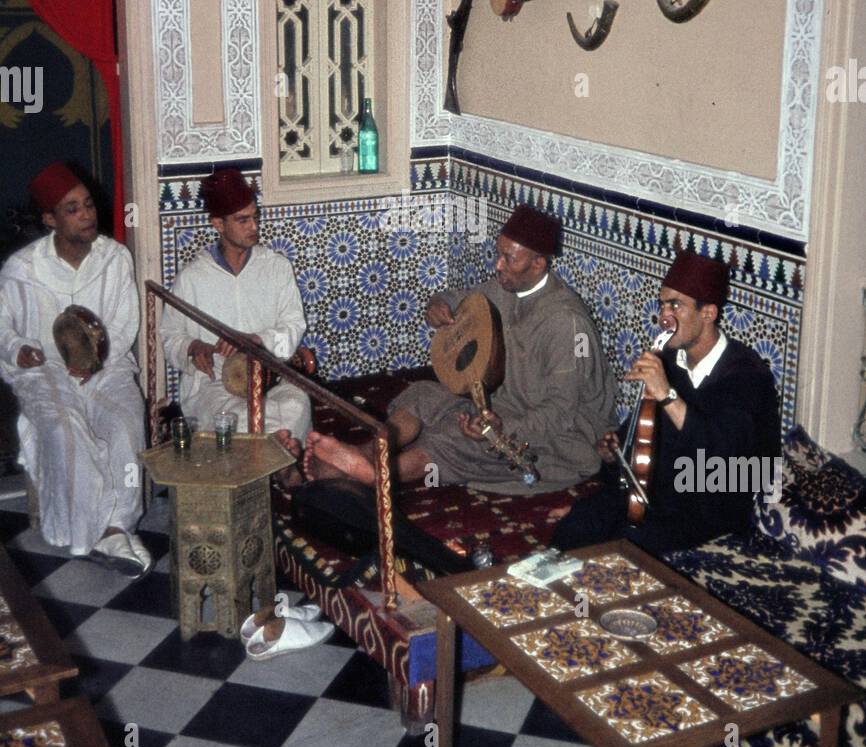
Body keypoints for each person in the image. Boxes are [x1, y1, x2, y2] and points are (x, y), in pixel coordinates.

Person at [305, 204, 618, 495]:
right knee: (421, 395)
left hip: (560, 438)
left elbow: (559, 414)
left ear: (539, 263)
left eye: (510, 259)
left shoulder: (566, 322)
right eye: (499, 254)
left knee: (450, 439)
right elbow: (460, 299)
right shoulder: (505, 287)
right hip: (501, 406)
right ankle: (364, 454)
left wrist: (500, 427)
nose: (498, 265)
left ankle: (378, 475)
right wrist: (438, 306)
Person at [551, 250, 781, 554]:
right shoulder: (671, 359)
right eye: (662, 304)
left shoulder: (747, 375)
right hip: (656, 494)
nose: (664, 316)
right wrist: (613, 451)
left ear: (708, 314)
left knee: (621, 549)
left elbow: (722, 455)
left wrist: (666, 394)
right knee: (574, 528)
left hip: (709, 507)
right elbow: (641, 441)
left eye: (676, 305)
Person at [0, 163, 150, 575]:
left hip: (107, 367)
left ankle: (120, 523)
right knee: (66, 428)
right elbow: (3, 327)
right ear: (50, 219)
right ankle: (92, 533)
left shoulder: (115, 258)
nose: (87, 215)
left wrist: (94, 360)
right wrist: (18, 349)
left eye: (88, 205)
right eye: (72, 209)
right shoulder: (22, 268)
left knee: (125, 423)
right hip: (45, 369)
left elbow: (124, 324)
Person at [160, 168, 311, 446]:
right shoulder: (192, 277)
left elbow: (294, 324)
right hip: (214, 381)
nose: (253, 227)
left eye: (255, 217)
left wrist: (256, 340)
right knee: (237, 419)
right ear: (218, 224)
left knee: (295, 405)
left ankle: (276, 465)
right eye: (242, 220)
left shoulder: (276, 267)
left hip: (270, 375)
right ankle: (282, 467)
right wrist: (193, 348)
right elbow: (170, 335)